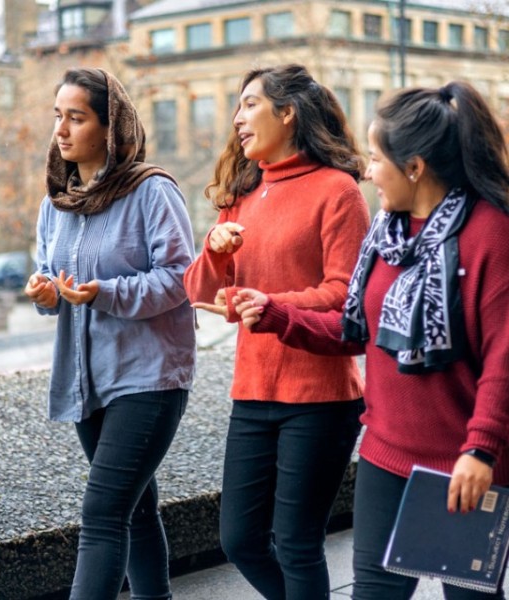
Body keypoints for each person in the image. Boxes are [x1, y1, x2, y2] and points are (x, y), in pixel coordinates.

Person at [235, 81, 509, 599]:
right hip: (386, 452)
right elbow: (354, 330)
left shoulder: (490, 233)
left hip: (464, 463)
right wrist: (277, 315)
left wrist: (482, 449)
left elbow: (504, 357)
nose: (366, 170)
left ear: (415, 167)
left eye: (377, 157)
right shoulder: (388, 233)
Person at [184, 63, 370, 599]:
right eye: (237, 107)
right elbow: (196, 289)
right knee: (239, 539)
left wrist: (270, 303)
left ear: (287, 113)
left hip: (320, 395)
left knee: (296, 544)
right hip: (253, 389)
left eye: (249, 104)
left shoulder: (338, 192)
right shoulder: (241, 193)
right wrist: (215, 252)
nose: (237, 119)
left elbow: (345, 294)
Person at [24, 67, 196, 600]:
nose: (62, 129)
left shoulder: (151, 191)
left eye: (76, 117)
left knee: (101, 513)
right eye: (58, 116)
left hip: (149, 376)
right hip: (88, 380)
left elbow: (179, 279)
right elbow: (53, 277)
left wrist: (104, 292)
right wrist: (47, 293)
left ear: (110, 127)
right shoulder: (57, 201)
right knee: (134, 508)